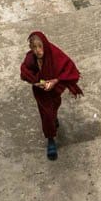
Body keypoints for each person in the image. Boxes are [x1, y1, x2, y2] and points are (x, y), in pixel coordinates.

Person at [20, 31, 82, 160]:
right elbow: (24, 72)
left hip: (54, 91)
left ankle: (53, 119)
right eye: (34, 47)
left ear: (45, 45)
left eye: (40, 46)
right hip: (40, 93)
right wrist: (36, 82)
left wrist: (55, 81)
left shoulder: (54, 54)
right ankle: (50, 139)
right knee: (46, 114)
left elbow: (69, 68)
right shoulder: (31, 59)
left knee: (53, 108)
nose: (37, 51)